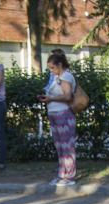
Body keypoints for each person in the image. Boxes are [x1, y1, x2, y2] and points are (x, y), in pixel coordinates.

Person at [38, 50, 77, 186]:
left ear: (60, 65)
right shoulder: (55, 77)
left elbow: (68, 96)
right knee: (59, 146)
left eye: (53, 67)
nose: (52, 71)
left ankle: (69, 176)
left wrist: (51, 98)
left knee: (67, 146)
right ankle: (62, 174)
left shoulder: (66, 76)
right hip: (53, 113)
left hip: (63, 113)